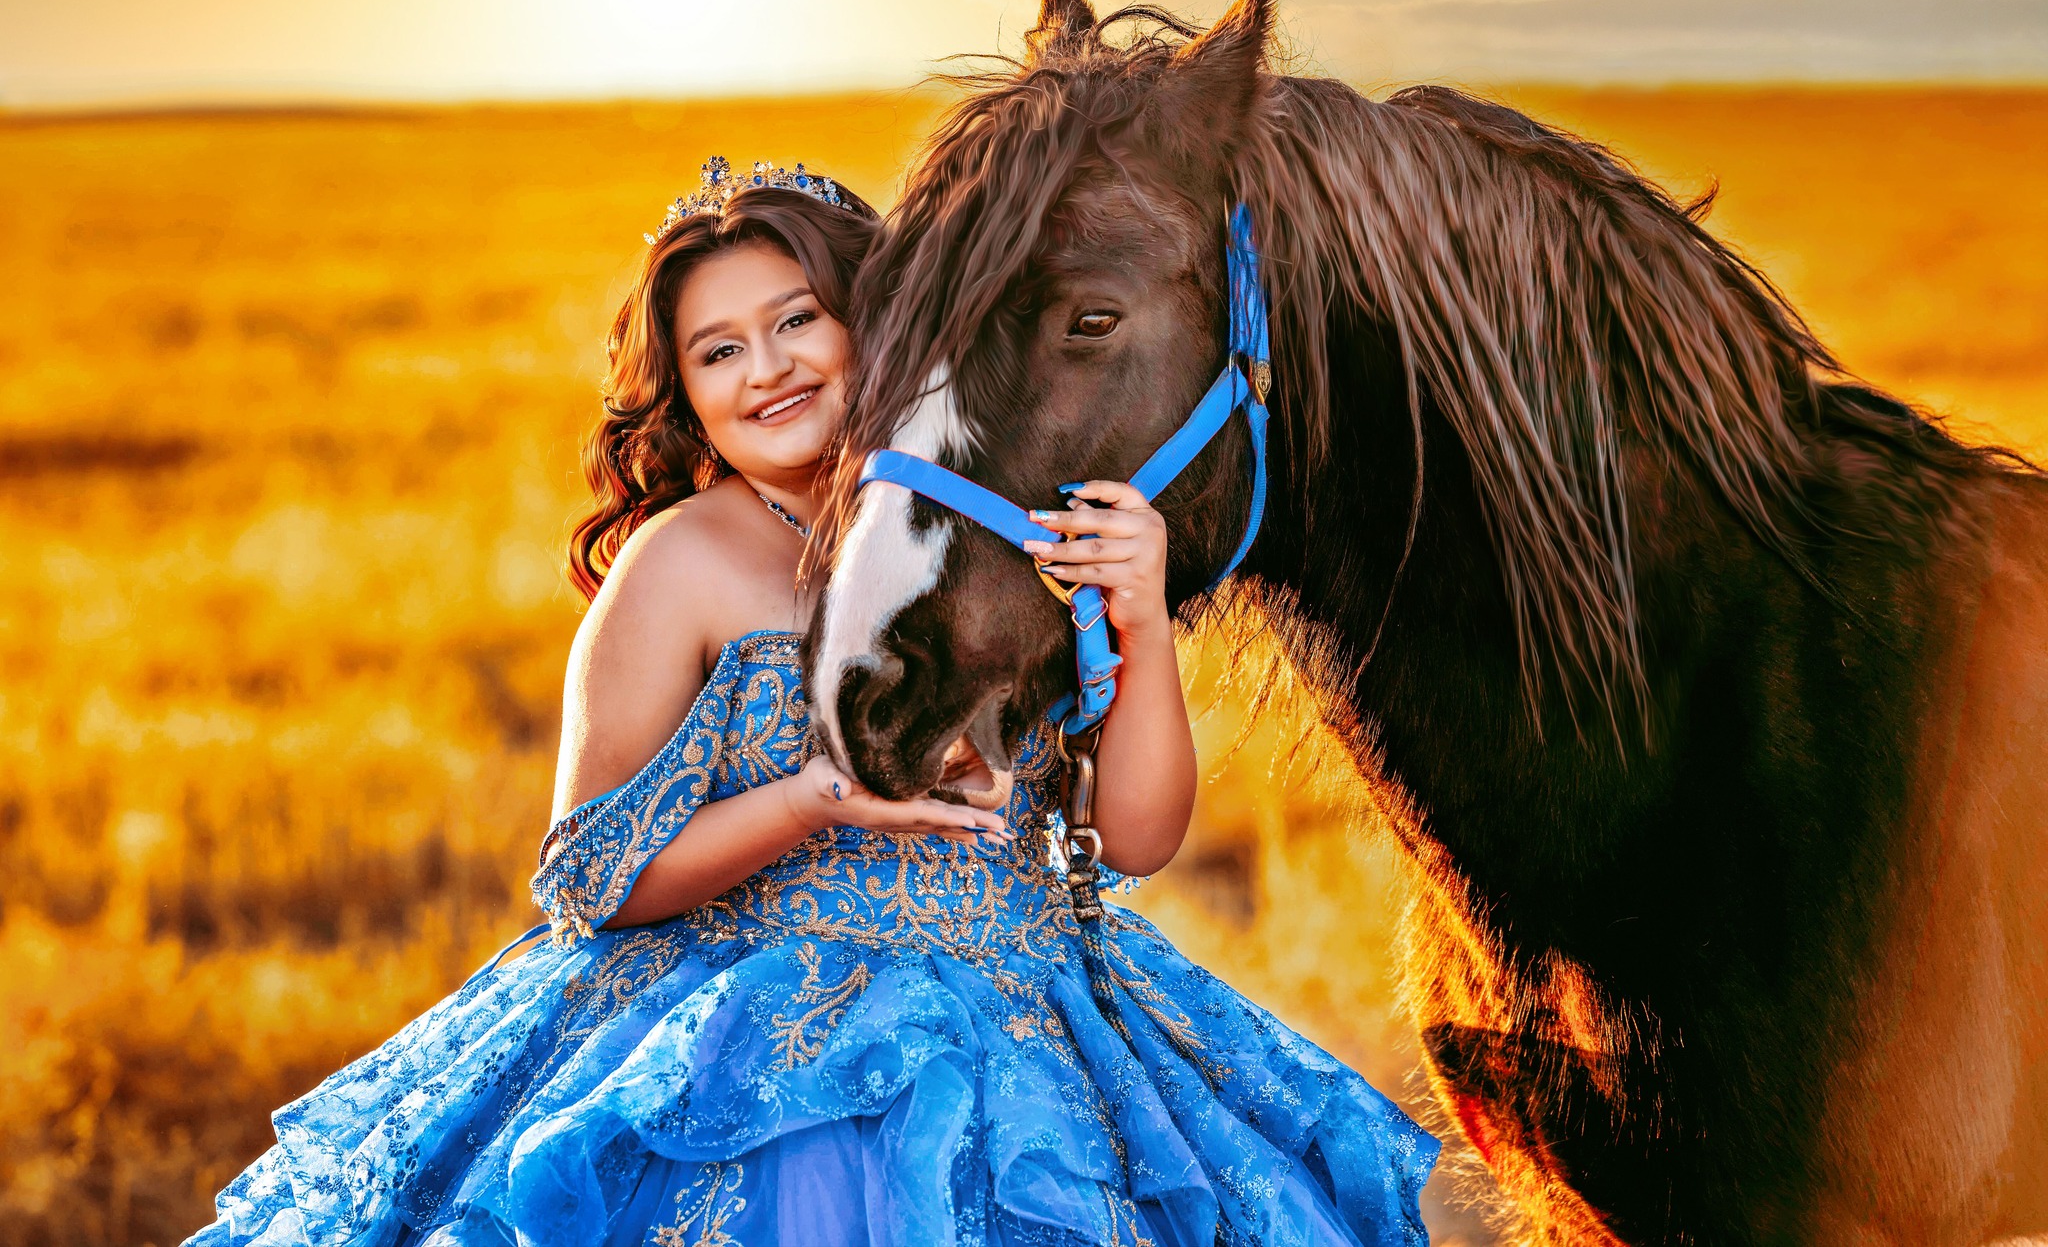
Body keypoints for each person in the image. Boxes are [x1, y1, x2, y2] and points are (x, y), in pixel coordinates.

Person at [192, 158, 1438, 1247]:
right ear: (682, 393)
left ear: (879, 324)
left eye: (799, 321)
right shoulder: (679, 563)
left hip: (1034, 1023)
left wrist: (1140, 618)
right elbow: (587, 880)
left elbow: (1138, 841)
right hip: (759, 1059)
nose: (768, 369)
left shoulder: (992, 526)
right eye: (718, 351)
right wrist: (821, 801)